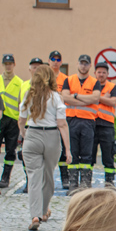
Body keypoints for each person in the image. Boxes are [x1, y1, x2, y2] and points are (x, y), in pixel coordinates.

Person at [18, 65, 72, 231]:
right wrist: (68, 150)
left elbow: (21, 120)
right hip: (51, 137)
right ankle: (42, 212)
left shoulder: (29, 95)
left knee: (34, 177)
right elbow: (62, 124)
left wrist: (25, 135)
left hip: (32, 134)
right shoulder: (56, 97)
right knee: (48, 177)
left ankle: (35, 215)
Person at [61, 54, 101, 193]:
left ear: (90, 66)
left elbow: (95, 98)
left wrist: (76, 96)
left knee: (86, 154)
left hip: (88, 121)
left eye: (86, 63)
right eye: (81, 63)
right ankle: (73, 185)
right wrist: (85, 100)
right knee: (73, 153)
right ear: (78, 64)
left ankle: (84, 185)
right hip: (71, 120)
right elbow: (64, 97)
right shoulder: (69, 80)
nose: (83, 66)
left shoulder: (94, 82)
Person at [0, 54, 24, 188]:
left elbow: (22, 103)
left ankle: (5, 177)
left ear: (14, 65)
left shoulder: (20, 83)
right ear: (3, 65)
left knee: (10, 150)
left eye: (10, 63)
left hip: (13, 120)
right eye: (6, 64)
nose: (8, 66)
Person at [15, 57, 45, 193]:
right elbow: (20, 106)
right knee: (26, 156)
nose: (36, 69)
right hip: (28, 127)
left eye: (39, 67)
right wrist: (21, 127)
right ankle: (29, 181)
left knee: (42, 157)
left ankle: (41, 182)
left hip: (43, 127)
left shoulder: (47, 85)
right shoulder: (23, 85)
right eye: (34, 67)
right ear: (29, 69)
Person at [91, 61, 116, 188]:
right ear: (95, 73)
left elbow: (113, 102)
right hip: (91, 123)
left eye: (104, 72)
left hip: (107, 125)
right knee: (89, 155)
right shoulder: (90, 85)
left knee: (108, 156)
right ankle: (87, 182)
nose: (101, 74)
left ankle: (109, 183)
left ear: (107, 74)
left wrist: (97, 97)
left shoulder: (112, 87)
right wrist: (104, 98)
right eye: (99, 72)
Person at [49, 50, 70, 188]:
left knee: (63, 150)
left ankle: (65, 177)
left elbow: (66, 97)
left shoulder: (65, 79)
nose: (56, 61)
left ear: (61, 62)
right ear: (49, 61)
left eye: (58, 59)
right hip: (48, 116)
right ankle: (47, 178)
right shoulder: (46, 76)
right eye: (53, 59)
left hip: (61, 115)